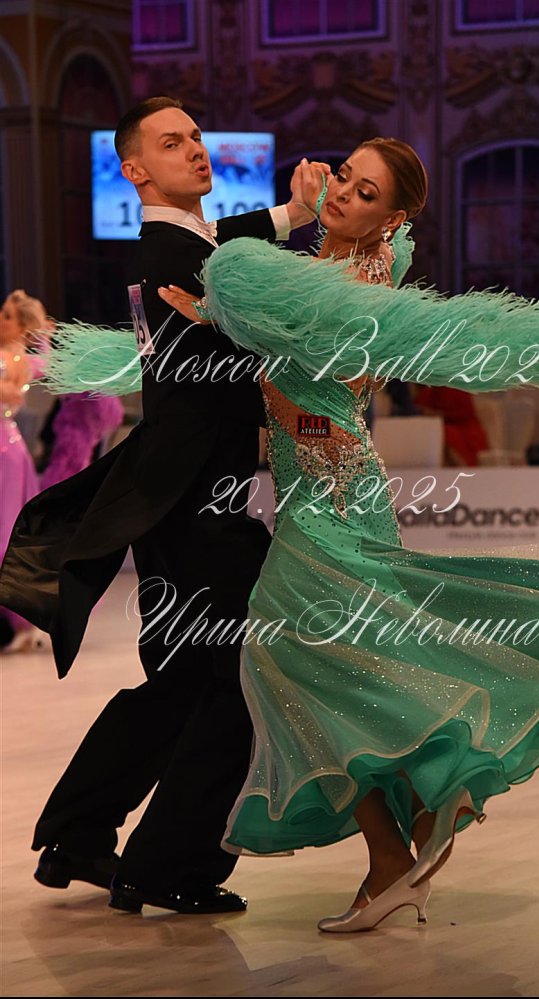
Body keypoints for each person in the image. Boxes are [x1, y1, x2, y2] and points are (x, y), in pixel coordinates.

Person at [38, 138, 539, 932]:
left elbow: (328, 389)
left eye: (366, 193)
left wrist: (231, 335)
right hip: (311, 495)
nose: (342, 195)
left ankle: (411, 825)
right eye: (343, 177)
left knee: (289, 662)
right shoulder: (313, 265)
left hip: (333, 494)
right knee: (333, 665)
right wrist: (231, 312)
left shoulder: (363, 281)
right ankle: (409, 829)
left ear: (390, 220)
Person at [0, 96, 326, 914]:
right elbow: (221, 282)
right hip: (197, 506)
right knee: (242, 674)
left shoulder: (186, 244)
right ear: (135, 169)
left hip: (179, 500)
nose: (197, 150)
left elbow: (219, 242)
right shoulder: (175, 255)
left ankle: (79, 831)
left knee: (182, 679)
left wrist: (290, 213)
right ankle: (168, 862)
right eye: (173, 143)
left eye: (197, 138)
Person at [0, 291, 48, 653]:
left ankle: (21, 621)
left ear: (21, 326)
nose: (0, 321)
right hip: (8, 448)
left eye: (7, 316)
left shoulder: (17, 358)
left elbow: (15, 396)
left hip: (6, 450)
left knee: (7, 534)